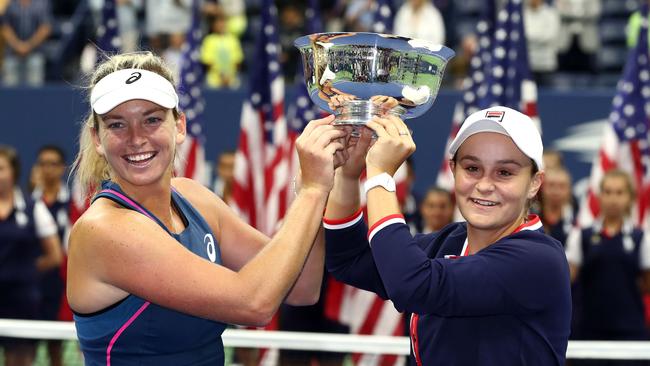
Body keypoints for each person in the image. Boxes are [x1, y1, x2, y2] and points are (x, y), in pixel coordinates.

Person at [66, 52, 347, 364]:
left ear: (180, 126)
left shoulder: (193, 198)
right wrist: (311, 190)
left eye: (152, 119)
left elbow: (301, 287)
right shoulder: (105, 229)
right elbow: (254, 303)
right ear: (98, 139)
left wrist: (321, 182)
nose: (136, 138)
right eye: (117, 125)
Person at [324, 106, 571, 365]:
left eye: (505, 173)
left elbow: (414, 285)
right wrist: (349, 176)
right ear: (453, 170)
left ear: (534, 183)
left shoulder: (539, 259)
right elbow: (348, 260)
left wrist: (380, 176)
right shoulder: (449, 241)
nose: (485, 185)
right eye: (472, 168)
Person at [566, 170, 650, 353]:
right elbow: (566, 281)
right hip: (589, 329)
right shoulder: (581, 236)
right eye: (608, 192)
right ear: (599, 196)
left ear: (630, 197)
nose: (613, 199)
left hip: (631, 331)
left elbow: (646, 284)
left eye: (619, 192)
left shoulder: (641, 238)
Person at [0, 145, 63, 366]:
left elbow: (54, 256)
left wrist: (22, 272)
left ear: (13, 172)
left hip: (22, 302)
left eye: (1, 168)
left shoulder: (32, 208)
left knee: (20, 359)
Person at [31, 145, 71, 366]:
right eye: (43, 163)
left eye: (53, 163)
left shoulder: (72, 206)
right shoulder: (27, 206)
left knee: (56, 349)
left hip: (61, 287)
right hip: (31, 287)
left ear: (62, 168)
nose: (48, 169)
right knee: (22, 349)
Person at [1, 0, 52, 86]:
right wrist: (17, 45)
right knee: (9, 90)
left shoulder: (42, 3)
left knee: (35, 91)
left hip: (35, 52)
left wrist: (29, 45)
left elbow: (46, 28)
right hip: (12, 53)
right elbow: (5, 27)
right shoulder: (10, 3)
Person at [200, 12, 243, 89]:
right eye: (218, 23)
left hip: (231, 78)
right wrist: (221, 76)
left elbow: (238, 61)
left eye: (223, 22)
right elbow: (207, 62)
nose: (221, 25)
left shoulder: (233, 40)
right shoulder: (209, 40)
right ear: (213, 25)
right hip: (213, 79)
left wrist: (228, 76)